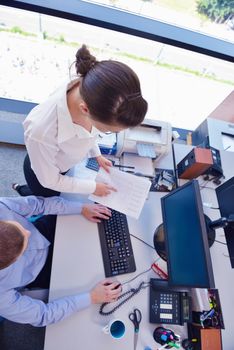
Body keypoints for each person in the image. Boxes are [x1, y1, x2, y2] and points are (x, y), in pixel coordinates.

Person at [13, 44, 148, 197]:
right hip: (45, 174)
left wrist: (96, 154)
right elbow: (49, 181)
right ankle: (22, 189)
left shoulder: (91, 90)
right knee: (45, 199)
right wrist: (93, 187)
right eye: (110, 130)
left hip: (63, 163)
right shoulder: (41, 131)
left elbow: (90, 132)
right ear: (85, 110)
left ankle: (21, 188)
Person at [0, 195, 121, 326]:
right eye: (25, 243)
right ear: (15, 260)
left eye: (18, 226)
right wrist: (92, 297)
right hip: (40, 272)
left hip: (43, 231)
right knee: (92, 274)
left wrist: (81, 208)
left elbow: (39, 205)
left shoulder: (2, 207)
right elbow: (43, 315)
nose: (28, 232)